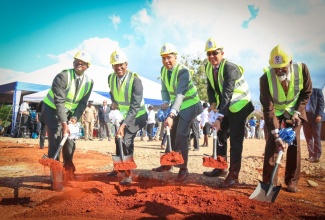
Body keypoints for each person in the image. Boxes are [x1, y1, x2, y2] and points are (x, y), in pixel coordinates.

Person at [203, 37, 254, 188]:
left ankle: (233, 175)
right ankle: (220, 167)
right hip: (226, 105)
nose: (212, 56)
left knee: (236, 141)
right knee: (220, 135)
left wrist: (219, 116)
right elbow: (211, 87)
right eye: (209, 53)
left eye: (215, 53)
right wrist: (213, 104)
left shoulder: (230, 68)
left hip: (240, 105)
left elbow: (227, 94)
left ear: (222, 53)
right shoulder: (208, 67)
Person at [260, 44, 312, 193]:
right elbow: (268, 108)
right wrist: (276, 135)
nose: (279, 70)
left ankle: (291, 181)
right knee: (272, 143)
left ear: (290, 62)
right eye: (276, 68)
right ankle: (269, 182)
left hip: (295, 109)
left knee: (293, 141)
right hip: (275, 110)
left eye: (282, 67)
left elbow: (306, 93)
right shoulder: (265, 78)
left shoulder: (302, 70)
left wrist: (297, 112)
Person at [41, 51, 93, 190]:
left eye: (82, 62)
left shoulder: (89, 82)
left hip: (69, 113)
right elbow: (59, 101)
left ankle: (69, 171)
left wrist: (75, 117)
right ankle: (56, 178)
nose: (78, 63)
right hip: (52, 110)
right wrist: (64, 123)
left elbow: (82, 103)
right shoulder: (63, 76)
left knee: (70, 142)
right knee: (57, 139)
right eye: (76, 60)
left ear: (88, 66)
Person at [152, 43, 203, 182]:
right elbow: (164, 89)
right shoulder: (163, 70)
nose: (166, 61)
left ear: (175, 56)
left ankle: (183, 168)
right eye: (163, 58)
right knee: (171, 131)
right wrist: (166, 102)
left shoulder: (183, 71)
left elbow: (180, 94)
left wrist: (171, 114)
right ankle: (168, 163)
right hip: (178, 105)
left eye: (169, 57)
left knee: (181, 133)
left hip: (191, 104)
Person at [106, 49, 147, 185]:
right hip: (123, 114)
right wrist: (114, 105)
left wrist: (123, 125)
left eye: (121, 64)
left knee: (126, 138)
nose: (119, 67)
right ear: (112, 66)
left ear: (126, 64)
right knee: (119, 139)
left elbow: (135, 107)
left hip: (138, 115)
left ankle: (128, 174)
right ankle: (118, 168)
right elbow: (112, 92)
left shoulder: (136, 80)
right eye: (115, 65)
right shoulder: (110, 78)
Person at [303, 88, 324, 163]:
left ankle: (317, 156)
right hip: (305, 117)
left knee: (316, 136)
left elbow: (321, 104)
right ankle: (311, 155)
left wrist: (319, 115)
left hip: (315, 117)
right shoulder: (303, 93)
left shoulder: (317, 91)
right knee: (308, 137)